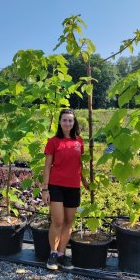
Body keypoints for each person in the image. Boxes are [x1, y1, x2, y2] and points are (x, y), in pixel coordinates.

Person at [42, 109, 89, 270]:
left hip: (73, 187)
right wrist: (45, 189)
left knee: (69, 223)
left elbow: (79, 164)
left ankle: (61, 254)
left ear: (74, 122)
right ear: (60, 122)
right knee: (58, 221)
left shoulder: (79, 142)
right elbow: (47, 166)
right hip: (56, 186)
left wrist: (84, 180)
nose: (67, 123)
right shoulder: (53, 141)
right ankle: (52, 254)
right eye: (64, 120)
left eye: (70, 120)